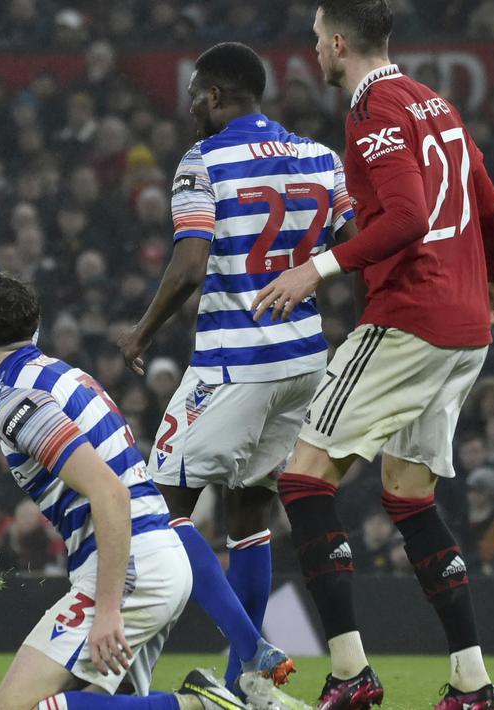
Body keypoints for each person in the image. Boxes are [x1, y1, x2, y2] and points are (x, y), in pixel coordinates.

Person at [251, 2, 494, 708]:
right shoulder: (436, 104)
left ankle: (349, 673)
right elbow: (486, 206)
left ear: (337, 42)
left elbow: (407, 217)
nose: (313, 55)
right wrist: (491, 277)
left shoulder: (373, 109)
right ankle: (470, 683)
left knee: (303, 479)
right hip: (464, 328)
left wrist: (318, 269)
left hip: (411, 317)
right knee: (408, 493)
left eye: (314, 41)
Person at [118, 41, 354, 695]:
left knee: (158, 505)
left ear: (217, 95)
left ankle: (250, 649)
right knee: (249, 515)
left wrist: (141, 332)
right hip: (304, 359)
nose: (191, 105)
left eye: (197, 94)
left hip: (233, 361)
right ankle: (242, 686)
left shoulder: (204, 160)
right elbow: (355, 247)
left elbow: (191, 264)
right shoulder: (319, 158)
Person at [0, 273, 246, 710]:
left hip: (129, 569)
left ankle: (200, 706)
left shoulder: (18, 402)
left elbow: (110, 492)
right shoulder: (56, 377)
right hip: (155, 555)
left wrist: (108, 610)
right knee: (95, 700)